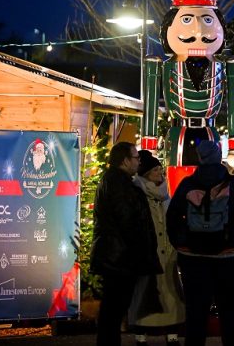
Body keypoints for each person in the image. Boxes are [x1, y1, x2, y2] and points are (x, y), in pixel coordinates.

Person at [139, 0, 234, 192]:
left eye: (207, 20)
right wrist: (149, 141)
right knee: (178, 187)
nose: (198, 29)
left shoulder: (228, 65)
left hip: (210, 132)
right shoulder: (161, 65)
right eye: (186, 19)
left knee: (212, 187)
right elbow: (151, 103)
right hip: (179, 135)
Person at [166, 140, 234, 346]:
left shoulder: (187, 184)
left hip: (194, 258)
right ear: (220, 158)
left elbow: (172, 218)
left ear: (200, 158)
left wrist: (182, 243)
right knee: (231, 310)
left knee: (196, 312)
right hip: (230, 256)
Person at [91, 142, 161, 346]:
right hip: (120, 257)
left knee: (113, 310)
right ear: (125, 160)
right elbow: (128, 220)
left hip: (117, 255)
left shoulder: (116, 181)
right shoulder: (119, 184)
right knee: (114, 309)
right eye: (136, 157)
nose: (138, 161)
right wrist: (140, 250)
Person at [129, 151, 184, 345]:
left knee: (171, 295)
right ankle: (140, 335)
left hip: (167, 253)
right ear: (145, 174)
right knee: (144, 294)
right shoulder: (136, 194)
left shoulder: (165, 195)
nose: (160, 174)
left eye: (161, 170)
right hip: (147, 253)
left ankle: (172, 334)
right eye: (155, 170)